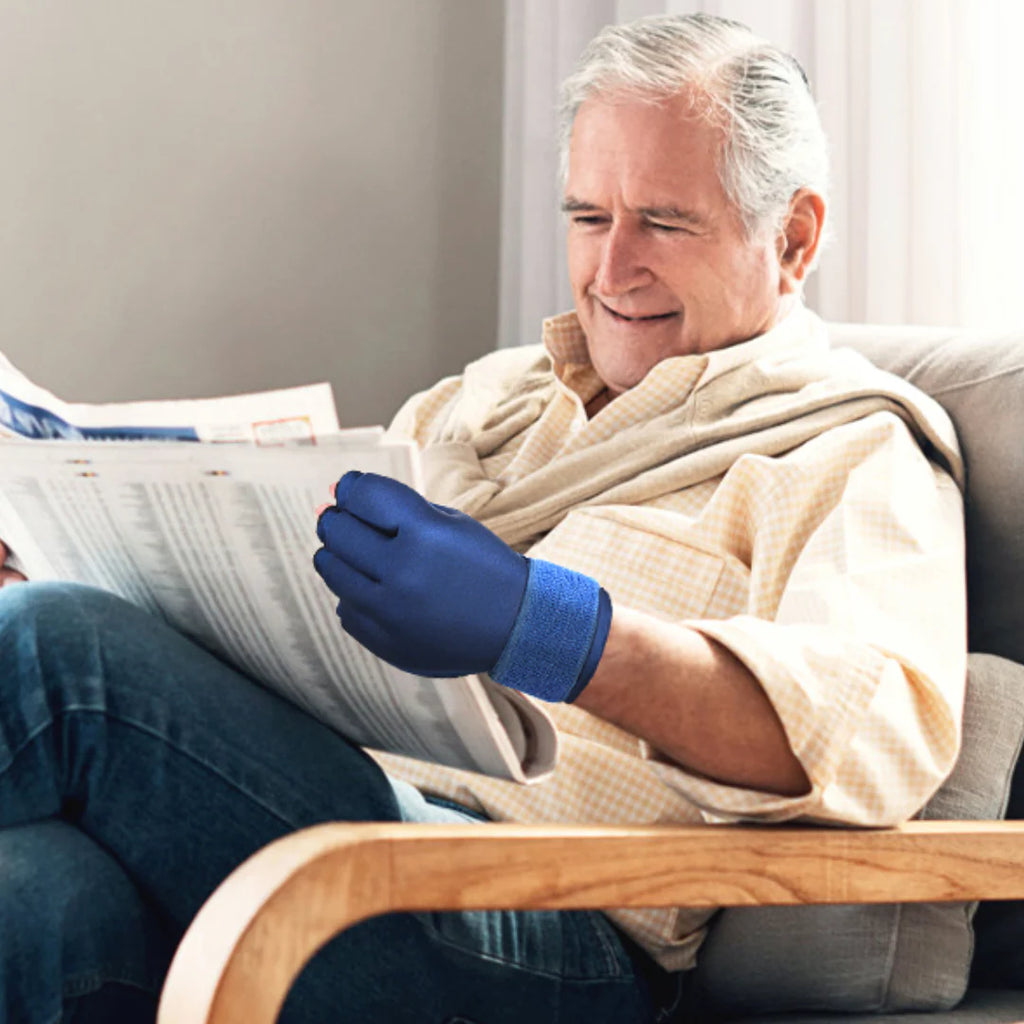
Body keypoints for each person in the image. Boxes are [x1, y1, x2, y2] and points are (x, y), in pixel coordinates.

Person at [0, 12, 966, 1024]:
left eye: (665, 222)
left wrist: (543, 627)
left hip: (536, 913)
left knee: (57, 655)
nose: (612, 265)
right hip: (307, 837)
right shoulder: (483, 403)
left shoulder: (850, 447)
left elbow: (873, 733)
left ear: (795, 236)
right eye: (589, 217)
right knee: (35, 893)